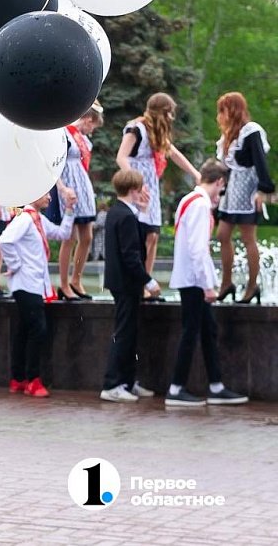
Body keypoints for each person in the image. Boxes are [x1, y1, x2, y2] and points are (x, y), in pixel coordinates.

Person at [166, 160, 249, 407]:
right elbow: (198, 249)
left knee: (206, 330)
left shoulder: (188, 200)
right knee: (192, 332)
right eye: (222, 189)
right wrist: (207, 285)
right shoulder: (201, 205)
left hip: (188, 278)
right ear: (220, 182)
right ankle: (177, 388)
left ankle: (215, 385)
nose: (220, 195)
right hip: (193, 281)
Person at [116, 93, 201, 301]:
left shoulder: (157, 132)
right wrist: (136, 182)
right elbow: (121, 157)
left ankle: (147, 279)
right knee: (139, 235)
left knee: (153, 235)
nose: (171, 118)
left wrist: (195, 174)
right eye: (169, 113)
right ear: (162, 112)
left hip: (151, 187)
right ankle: (138, 282)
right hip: (136, 187)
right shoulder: (137, 129)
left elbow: (174, 153)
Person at [0, 190, 75, 398]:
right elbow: (4, 241)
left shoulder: (38, 219)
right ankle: (32, 379)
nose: (49, 198)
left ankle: (19, 378)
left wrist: (69, 210)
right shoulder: (24, 218)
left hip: (33, 283)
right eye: (45, 195)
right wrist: (15, 265)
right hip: (26, 282)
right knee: (37, 330)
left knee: (25, 330)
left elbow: (62, 234)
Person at [99, 171, 162, 403]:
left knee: (128, 332)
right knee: (124, 334)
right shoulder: (124, 216)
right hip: (126, 283)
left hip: (121, 282)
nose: (143, 192)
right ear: (134, 189)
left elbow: (133, 242)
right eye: (141, 188)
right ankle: (112, 383)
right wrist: (149, 280)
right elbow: (131, 255)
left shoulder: (118, 212)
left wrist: (143, 213)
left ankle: (126, 381)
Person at [215, 92, 273, 304]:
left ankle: (252, 286)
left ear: (232, 110)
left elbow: (260, 163)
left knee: (249, 239)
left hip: (248, 191)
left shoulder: (251, 131)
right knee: (223, 235)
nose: (219, 116)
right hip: (232, 194)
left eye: (222, 110)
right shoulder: (228, 137)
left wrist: (262, 190)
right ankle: (227, 283)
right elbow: (227, 169)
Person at [52, 101, 105, 300]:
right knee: (70, 237)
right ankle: (64, 284)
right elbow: (53, 164)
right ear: (88, 119)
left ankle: (76, 279)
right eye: (93, 125)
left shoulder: (82, 137)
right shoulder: (64, 134)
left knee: (87, 236)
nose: (92, 129)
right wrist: (62, 188)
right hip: (69, 185)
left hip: (82, 185)